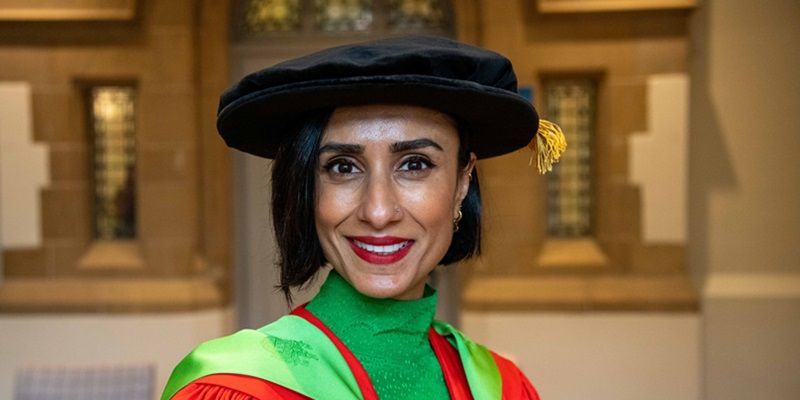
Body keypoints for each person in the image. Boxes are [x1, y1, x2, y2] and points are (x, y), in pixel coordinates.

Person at [161, 35, 565, 400]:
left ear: (462, 182)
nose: (377, 211)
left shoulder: (503, 387)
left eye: (414, 164)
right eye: (342, 167)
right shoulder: (236, 389)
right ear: (308, 188)